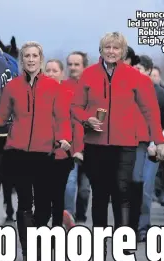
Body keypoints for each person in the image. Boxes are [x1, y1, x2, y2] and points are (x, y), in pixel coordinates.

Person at [71, 32, 164, 261]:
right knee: (100, 195)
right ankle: (100, 248)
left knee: (122, 192)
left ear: (123, 52)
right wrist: (86, 119)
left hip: (126, 145)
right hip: (96, 144)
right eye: (107, 47)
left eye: (116, 48)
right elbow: (75, 106)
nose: (111, 51)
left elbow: (151, 111)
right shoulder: (89, 74)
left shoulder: (136, 78)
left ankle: (122, 249)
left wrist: (158, 140)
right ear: (101, 49)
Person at [0, 41, 73, 261]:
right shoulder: (12, 87)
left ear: (40, 59)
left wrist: (64, 138)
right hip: (18, 153)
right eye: (27, 56)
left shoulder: (54, 87)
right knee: (24, 203)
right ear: (22, 60)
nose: (31, 60)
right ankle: (28, 251)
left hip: (45, 153)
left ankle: (38, 242)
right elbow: (2, 116)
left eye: (34, 56)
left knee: (43, 206)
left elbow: (61, 118)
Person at [131, 53, 164, 241]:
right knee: (132, 186)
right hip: (131, 146)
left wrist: (162, 144)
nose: (134, 72)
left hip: (152, 147)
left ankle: (143, 228)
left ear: (148, 71)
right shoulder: (126, 90)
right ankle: (129, 225)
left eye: (138, 69)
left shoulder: (159, 93)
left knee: (146, 186)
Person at [45, 57, 80, 229]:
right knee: (42, 194)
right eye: (48, 70)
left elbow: (76, 123)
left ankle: (58, 226)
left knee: (60, 193)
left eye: (54, 70)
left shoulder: (69, 95)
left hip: (63, 153)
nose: (51, 74)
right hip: (39, 152)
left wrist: (74, 145)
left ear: (62, 74)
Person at [62, 51, 92, 223]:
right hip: (70, 143)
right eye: (70, 64)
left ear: (84, 67)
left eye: (76, 64)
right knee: (69, 183)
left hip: (89, 144)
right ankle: (68, 216)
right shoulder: (62, 87)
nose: (73, 68)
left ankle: (81, 216)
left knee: (85, 189)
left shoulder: (91, 87)